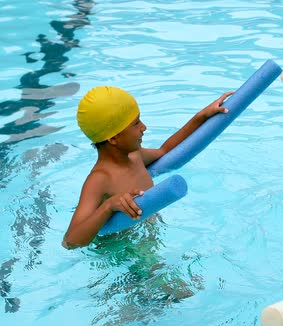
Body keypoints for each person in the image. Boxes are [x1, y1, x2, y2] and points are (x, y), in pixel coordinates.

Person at [63, 86, 233, 249]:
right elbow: (70, 241)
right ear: (114, 138)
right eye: (136, 123)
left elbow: (165, 150)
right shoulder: (100, 180)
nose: (144, 127)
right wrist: (108, 206)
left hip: (146, 240)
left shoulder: (135, 157)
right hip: (121, 253)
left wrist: (202, 116)